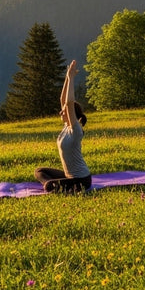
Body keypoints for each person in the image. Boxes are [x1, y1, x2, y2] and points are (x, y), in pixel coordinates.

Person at [34, 59, 92, 193]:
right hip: (69, 176)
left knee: (50, 185)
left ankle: (52, 186)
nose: (61, 112)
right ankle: (52, 185)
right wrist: (67, 77)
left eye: (64, 111)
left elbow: (69, 103)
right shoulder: (66, 126)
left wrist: (72, 78)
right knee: (39, 171)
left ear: (72, 116)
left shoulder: (75, 130)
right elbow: (63, 100)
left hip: (82, 180)